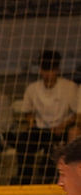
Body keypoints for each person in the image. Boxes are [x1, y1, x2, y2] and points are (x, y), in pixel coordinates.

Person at [11, 50, 77, 185]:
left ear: (57, 70)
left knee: (53, 145)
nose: (47, 74)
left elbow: (78, 114)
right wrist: (32, 124)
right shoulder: (32, 88)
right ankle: (24, 179)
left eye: (51, 70)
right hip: (40, 129)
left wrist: (63, 125)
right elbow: (27, 112)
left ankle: (52, 178)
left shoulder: (69, 87)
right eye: (44, 70)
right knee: (24, 140)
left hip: (61, 129)